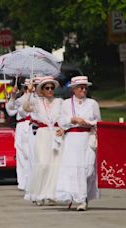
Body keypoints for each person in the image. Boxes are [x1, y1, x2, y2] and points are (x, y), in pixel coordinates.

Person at [55, 76, 100, 211]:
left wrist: (88, 123)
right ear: (73, 89)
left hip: (88, 137)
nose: (83, 89)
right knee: (75, 169)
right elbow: (61, 121)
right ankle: (81, 199)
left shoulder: (93, 103)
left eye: (85, 87)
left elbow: (99, 123)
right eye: (80, 87)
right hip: (73, 139)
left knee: (88, 169)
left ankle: (84, 195)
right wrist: (72, 119)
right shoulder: (66, 104)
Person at [23, 76, 64, 206]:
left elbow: (65, 117)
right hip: (43, 134)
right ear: (42, 89)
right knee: (42, 163)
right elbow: (25, 107)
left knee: (55, 164)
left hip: (56, 134)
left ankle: (52, 194)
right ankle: (39, 194)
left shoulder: (59, 101)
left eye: (52, 87)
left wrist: (63, 128)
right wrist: (29, 92)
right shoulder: (37, 101)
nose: (50, 90)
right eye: (47, 88)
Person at [5, 78, 32, 191]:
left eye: (29, 88)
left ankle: (30, 181)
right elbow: (10, 110)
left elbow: (23, 110)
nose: (27, 90)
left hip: (30, 124)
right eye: (25, 88)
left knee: (29, 154)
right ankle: (22, 182)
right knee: (21, 155)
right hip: (21, 126)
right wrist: (12, 96)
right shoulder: (20, 99)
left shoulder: (37, 99)